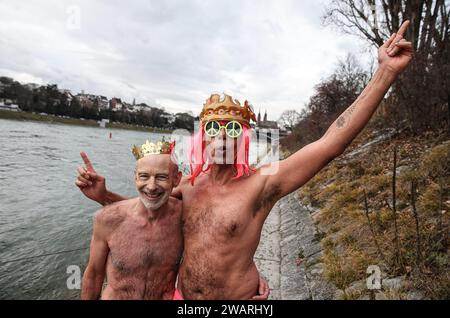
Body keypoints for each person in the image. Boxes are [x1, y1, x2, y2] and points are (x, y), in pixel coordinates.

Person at [76, 21, 413, 299]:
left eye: (232, 130)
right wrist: (104, 197)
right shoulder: (188, 186)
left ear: (243, 139)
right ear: (202, 136)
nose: (222, 138)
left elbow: (329, 144)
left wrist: (384, 72)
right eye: (213, 128)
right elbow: (147, 214)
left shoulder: (263, 183)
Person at [81, 140, 183, 299]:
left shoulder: (185, 218)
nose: (151, 186)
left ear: (176, 179)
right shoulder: (107, 218)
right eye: (144, 176)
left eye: (161, 177)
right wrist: (104, 195)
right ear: (135, 177)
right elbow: (94, 274)